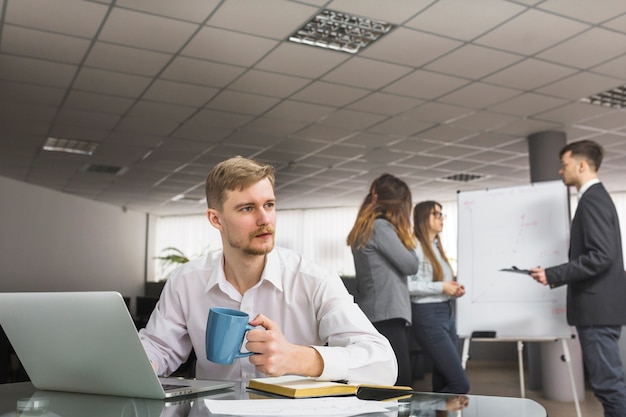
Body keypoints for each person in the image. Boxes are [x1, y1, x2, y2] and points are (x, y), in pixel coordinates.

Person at [139, 156, 398, 385]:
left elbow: (383, 364)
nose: (265, 219)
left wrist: (299, 358)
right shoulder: (186, 281)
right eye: (247, 208)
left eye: (269, 205)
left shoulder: (313, 279)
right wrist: (142, 366)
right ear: (216, 219)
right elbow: (159, 348)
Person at [529, 139, 626, 417]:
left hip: (596, 312)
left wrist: (553, 274)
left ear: (581, 165)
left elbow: (601, 256)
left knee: (608, 386)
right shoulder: (598, 198)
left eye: (564, 165)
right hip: (601, 310)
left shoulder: (592, 200)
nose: (561, 171)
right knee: (609, 383)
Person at [347, 173, 419, 386]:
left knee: (385, 382)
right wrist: (406, 236)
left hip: (376, 313)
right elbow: (411, 265)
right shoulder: (381, 228)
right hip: (387, 315)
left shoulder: (367, 227)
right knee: (401, 381)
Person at [408, 201, 469, 394]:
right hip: (427, 314)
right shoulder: (413, 246)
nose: (441, 218)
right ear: (423, 217)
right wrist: (441, 287)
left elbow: (439, 282)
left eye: (442, 214)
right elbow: (406, 286)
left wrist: (452, 288)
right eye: (436, 214)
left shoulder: (436, 246)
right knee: (460, 384)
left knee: (443, 381)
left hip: (446, 312)